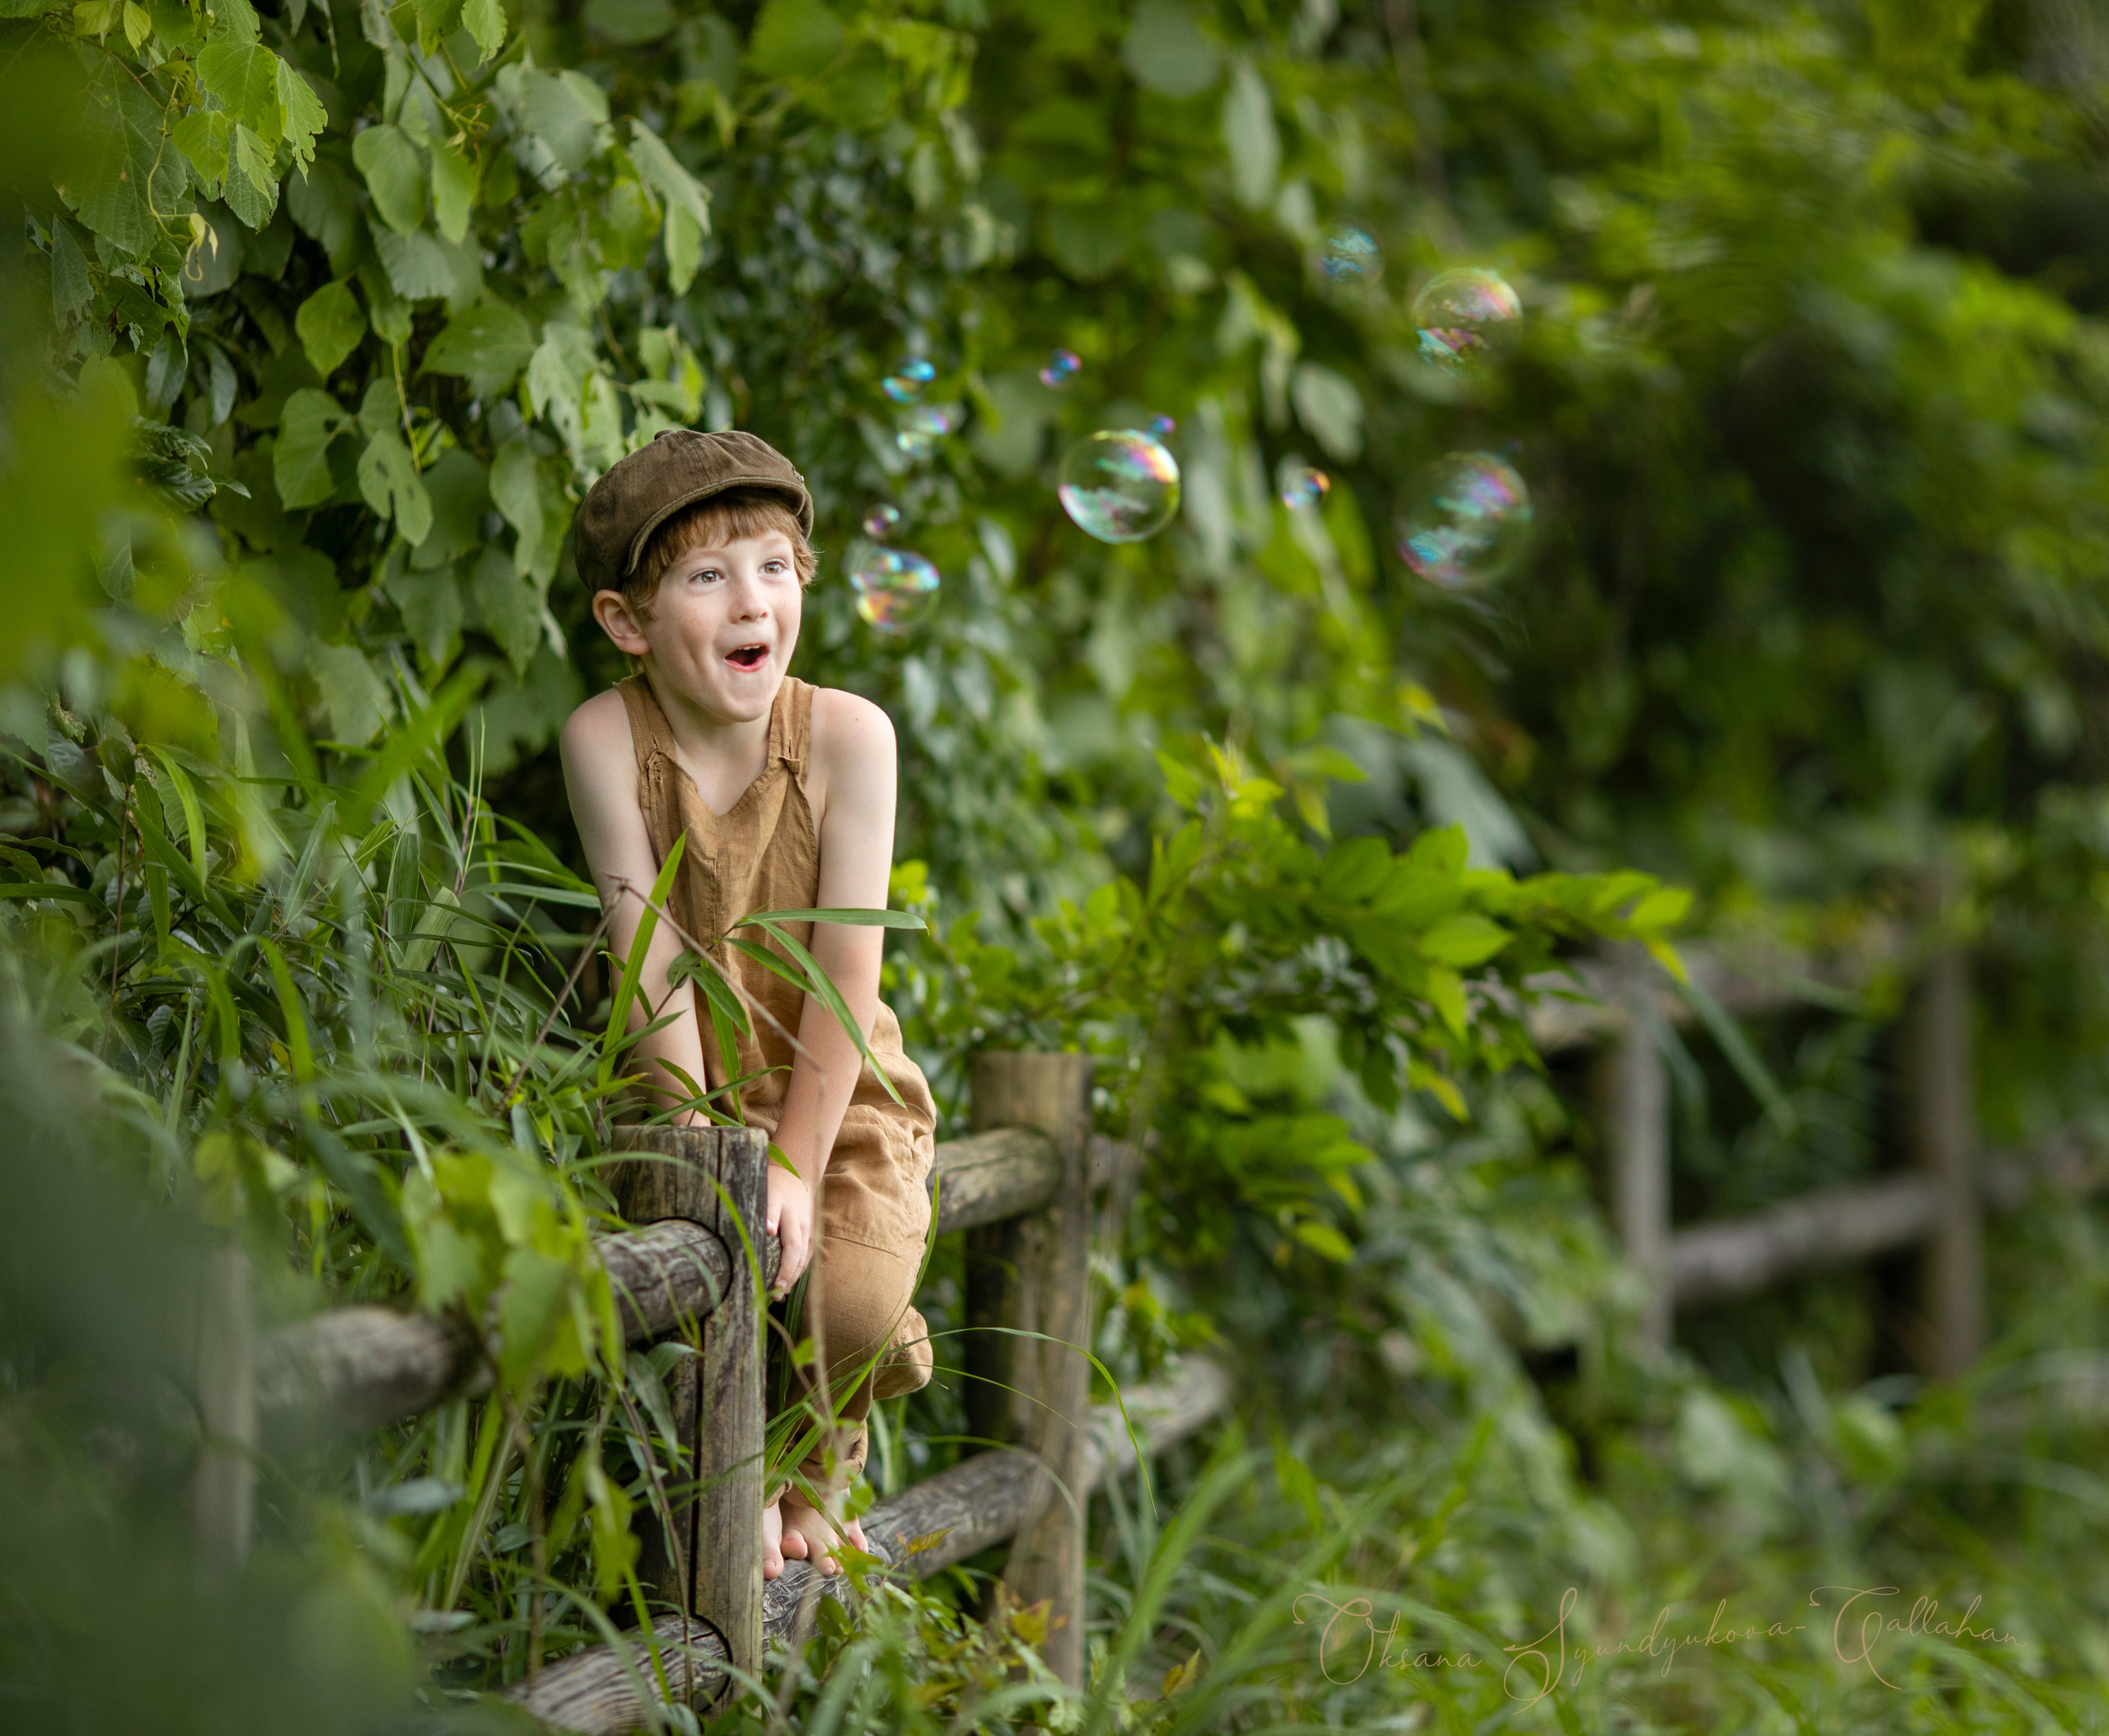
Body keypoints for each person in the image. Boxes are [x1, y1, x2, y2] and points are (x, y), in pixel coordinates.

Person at [559, 428, 937, 1582]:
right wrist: (701, 1140)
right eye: (707, 575)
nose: (751, 600)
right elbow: (648, 960)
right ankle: (734, 1497)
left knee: (855, 1304)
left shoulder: (845, 736)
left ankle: (818, 1460)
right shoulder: (604, 738)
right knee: (704, 1281)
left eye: (775, 566)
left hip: (837, 1088)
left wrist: (797, 1166)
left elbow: (845, 976)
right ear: (628, 622)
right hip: (688, 1084)